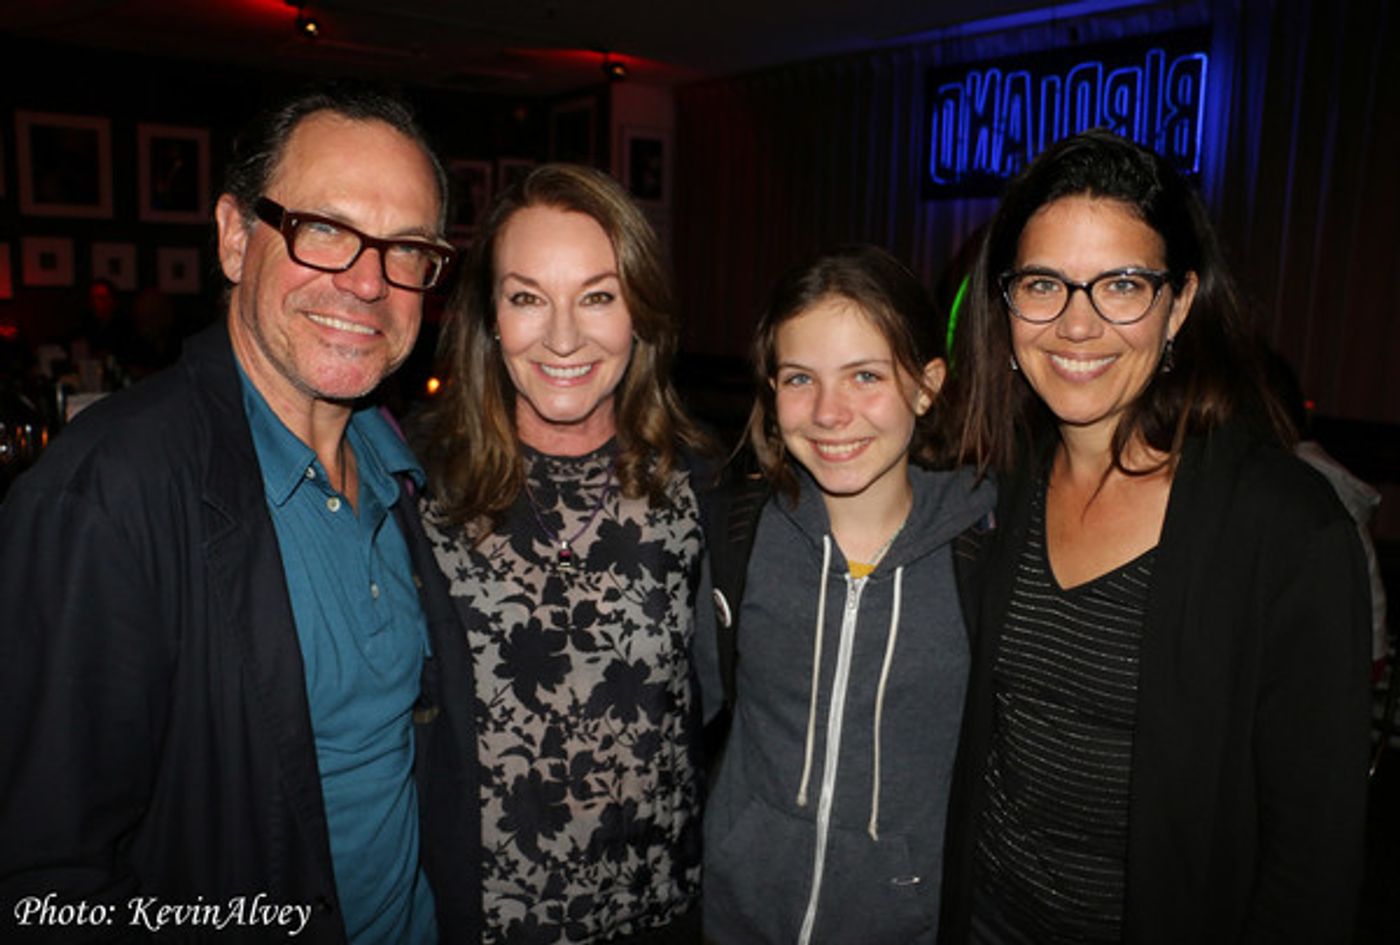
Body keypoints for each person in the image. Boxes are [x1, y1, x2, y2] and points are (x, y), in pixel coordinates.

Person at [0, 84, 481, 943]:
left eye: (406, 248)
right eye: (324, 229)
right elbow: (45, 876)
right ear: (233, 237)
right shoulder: (110, 493)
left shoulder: (403, 464)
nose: (367, 281)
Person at [937, 129, 1372, 944]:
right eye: (1044, 284)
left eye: (1122, 285)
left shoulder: (1287, 529)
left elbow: (1312, 862)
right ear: (1006, 302)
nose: (1075, 324)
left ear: (1178, 304)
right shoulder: (998, 483)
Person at [414, 163, 713, 944]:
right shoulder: (414, 491)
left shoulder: (706, 491)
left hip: (663, 916)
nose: (563, 337)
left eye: (597, 295)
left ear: (639, 310)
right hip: (480, 922)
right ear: (489, 317)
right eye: (527, 298)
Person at [701, 245, 995, 945]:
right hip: (741, 918)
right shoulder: (737, 539)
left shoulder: (985, 554)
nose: (831, 413)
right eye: (800, 378)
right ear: (771, 391)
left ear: (926, 386)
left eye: (865, 375)